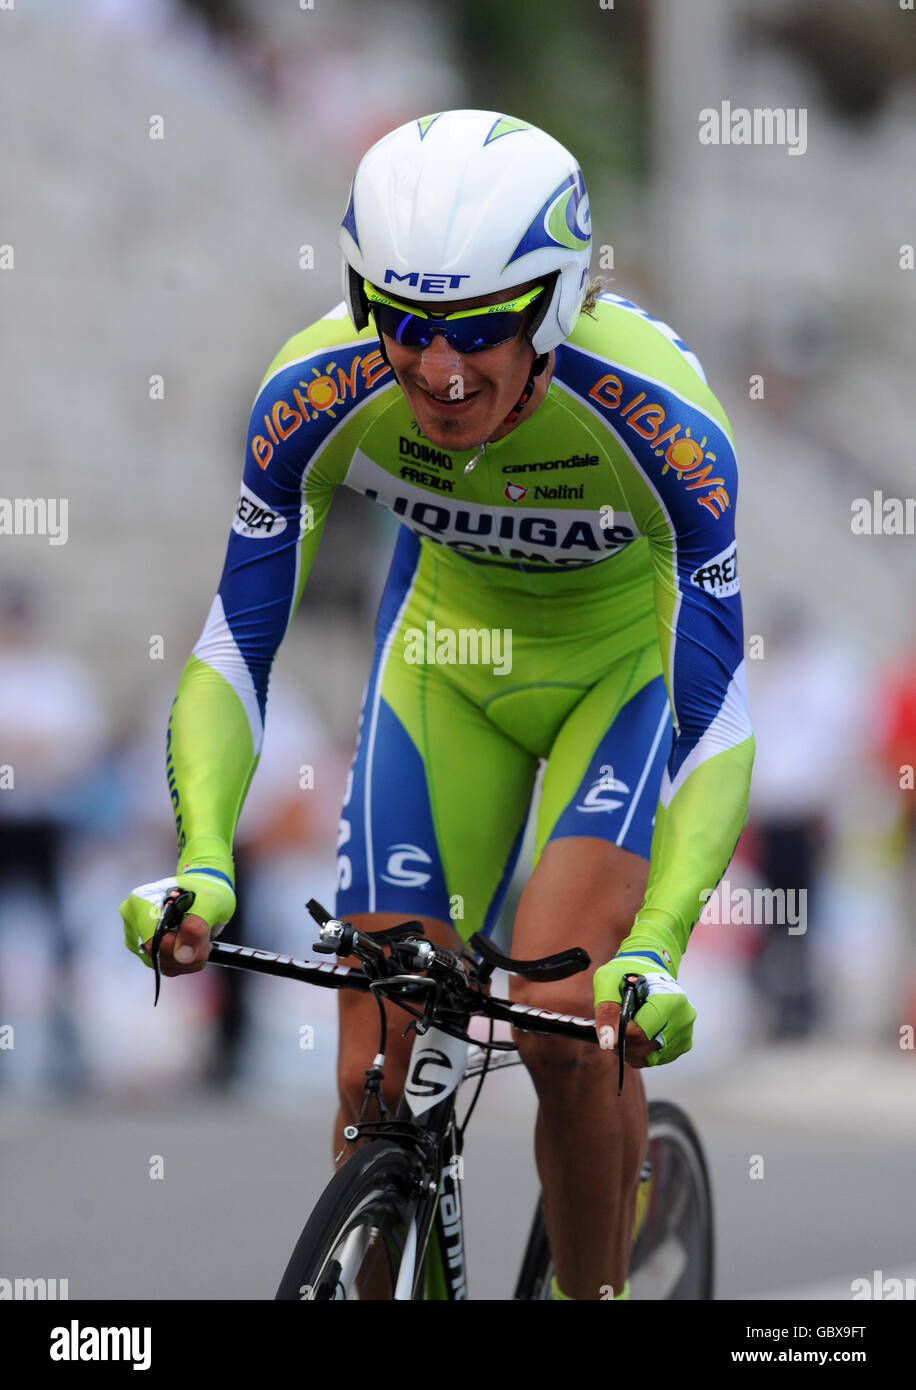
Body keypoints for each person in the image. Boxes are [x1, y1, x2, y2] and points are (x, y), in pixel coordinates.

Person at [120, 109, 754, 1301]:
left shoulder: (661, 421)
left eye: (479, 329)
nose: (440, 369)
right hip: (441, 671)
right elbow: (233, 639)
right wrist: (203, 857)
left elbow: (718, 711)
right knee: (379, 1054)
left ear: (556, 303)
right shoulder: (314, 388)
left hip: (615, 682)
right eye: (407, 326)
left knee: (566, 1016)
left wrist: (661, 943)